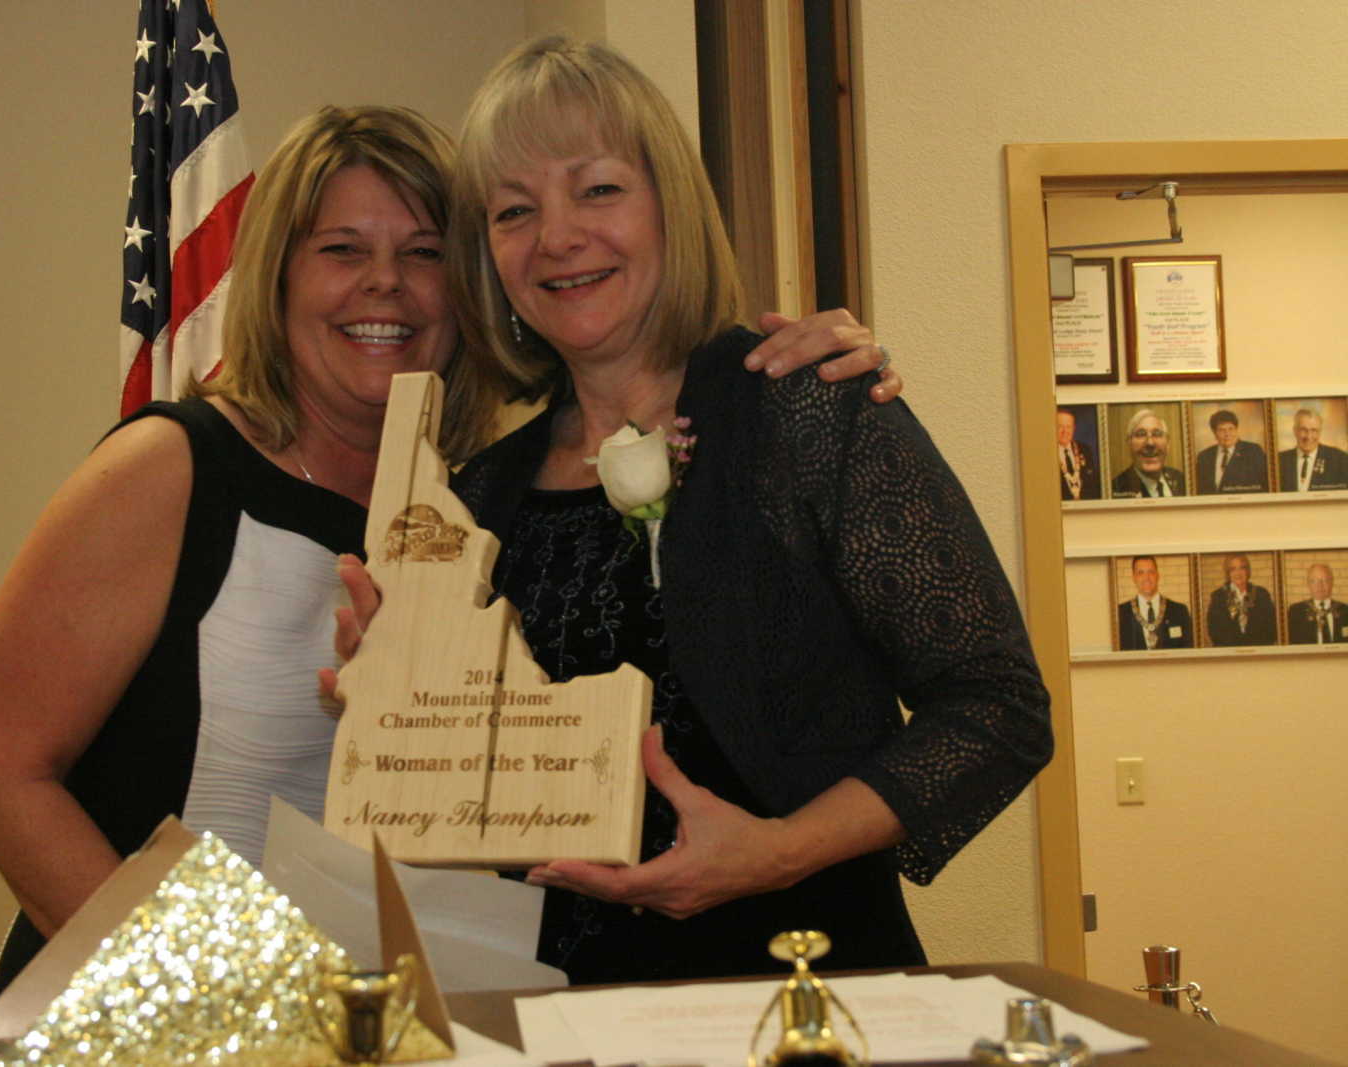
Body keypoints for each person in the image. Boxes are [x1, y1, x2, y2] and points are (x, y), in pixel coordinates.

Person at [0, 105, 901, 998]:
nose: (385, 284)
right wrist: (192, 1005)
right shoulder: (171, 467)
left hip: (370, 1017)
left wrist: (825, 366)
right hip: (156, 1018)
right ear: (277, 278)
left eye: (424, 253)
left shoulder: (485, 503)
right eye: (341, 250)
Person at [340, 37, 1051, 984]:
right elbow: (477, 791)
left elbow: (998, 708)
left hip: (798, 992)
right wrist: (397, 695)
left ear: (670, 207)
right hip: (553, 1012)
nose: (557, 236)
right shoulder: (478, 497)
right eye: (514, 211)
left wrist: (782, 849)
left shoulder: (804, 410)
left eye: (597, 189)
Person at [1115, 556, 1192, 650]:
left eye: (1151, 572)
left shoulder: (1179, 611)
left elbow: (1189, 649)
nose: (1146, 578)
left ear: (1157, 575)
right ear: (1134, 578)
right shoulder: (1120, 613)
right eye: (1140, 573)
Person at [1205, 552, 1277, 646]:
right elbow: (1215, 632)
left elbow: (1271, 629)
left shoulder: (1261, 594)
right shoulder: (1219, 596)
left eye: (1242, 568)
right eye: (1233, 569)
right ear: (1228, 573)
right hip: (1229, 651)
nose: (1238, 573)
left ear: (1247, 571)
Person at [1110, 409, 1185, 498]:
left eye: (1157, 434)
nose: (1150, 443)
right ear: (1129, 443)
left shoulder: (1181, 479)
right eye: (1141, 434)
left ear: (1168, 443)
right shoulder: (1115, 490)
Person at [1193, 409, 1268, 494]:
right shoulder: (1204, 456)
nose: (1227, 434)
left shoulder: (1253, 451)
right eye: (1221, 430)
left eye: (1231, 429)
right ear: (1214, 432)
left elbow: (1262, 486)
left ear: (1236, 429)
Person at [1278, 408, 1348, 491]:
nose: (1308, 436)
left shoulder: (1340, 459)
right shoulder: (1279, 460)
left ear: (1320, 432)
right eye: (1303, 430)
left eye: (1314, 430)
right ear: (1295, 431)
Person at [1287, 563, 1348, 644]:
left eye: (1325, 580)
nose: (1320, 585)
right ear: (1308, 584)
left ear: (1332, 582)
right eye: (1314, 581)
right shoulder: (1296, 612)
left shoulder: (1345, 611)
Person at [1057, 408, 1099, 501]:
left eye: (1068, 427)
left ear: (1074, 428)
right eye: (1060, 426)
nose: (1065, 431)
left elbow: (1093, 485)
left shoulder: (1085, 450)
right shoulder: (1047, 454)